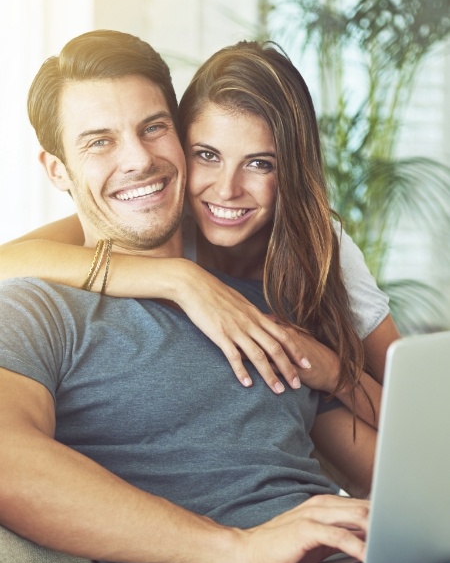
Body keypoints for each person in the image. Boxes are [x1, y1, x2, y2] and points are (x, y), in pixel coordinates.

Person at [1, 30, 448, 563]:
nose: (137, 159)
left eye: (153, 128)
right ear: (57, 169)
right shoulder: (38, 310)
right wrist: (240, 548)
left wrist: (394, 520)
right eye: (100, 141)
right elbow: (7, 462)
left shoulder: (262, 297)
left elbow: (395, 472)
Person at [0, 44, 399, 398]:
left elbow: (414, 411)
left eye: (260, 164)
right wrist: (183, 280)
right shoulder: (165, 214)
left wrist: (329, 370)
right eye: (207, 155)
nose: (226, 190)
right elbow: (9, 261)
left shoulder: (320, 245)